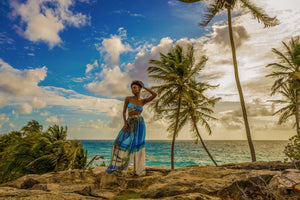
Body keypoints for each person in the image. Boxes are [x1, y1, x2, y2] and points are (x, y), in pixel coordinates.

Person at [105, 80, 157, 178]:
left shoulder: (142, 101)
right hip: (129, 123)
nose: (133, 89)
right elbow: (124, 112)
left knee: (138, 148)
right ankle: (118, 168)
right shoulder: (128, 99)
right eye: (132, 88)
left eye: (135, 87)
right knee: (118, 143)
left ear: (139, 88)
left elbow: (154, 95)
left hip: (140, 124)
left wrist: (145, 87)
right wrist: (125, 124)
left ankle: (138, 172)